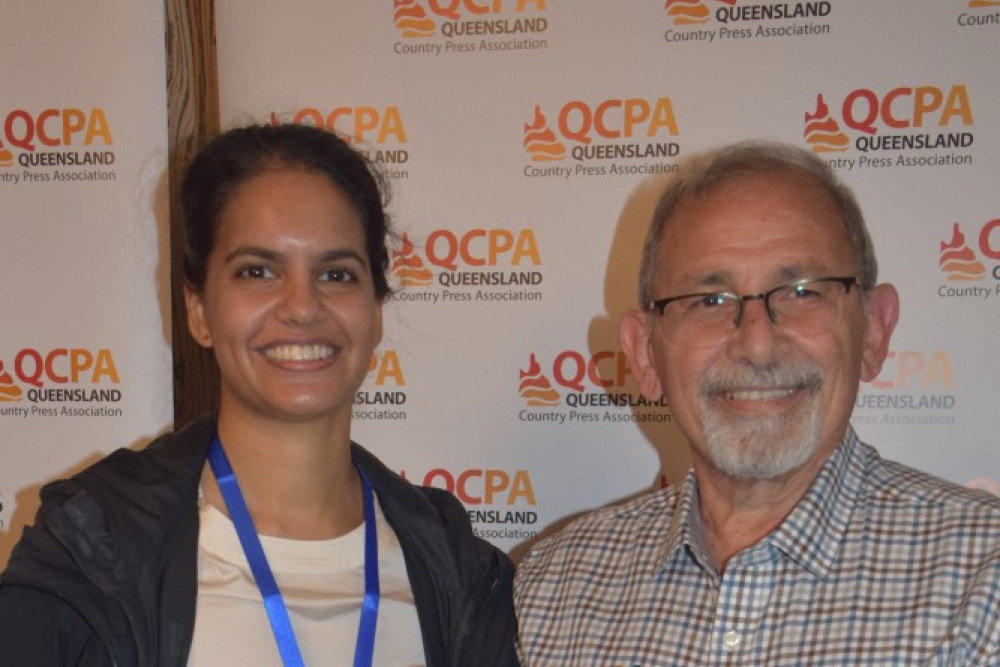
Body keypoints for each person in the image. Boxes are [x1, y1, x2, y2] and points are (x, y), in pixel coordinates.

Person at [0, 123, 519, 666]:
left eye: (337, 274)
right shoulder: (91, 551)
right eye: (258, 271)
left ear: (376, 312)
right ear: (199, 311)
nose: (303, 307)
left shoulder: (465, 577)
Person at [514, 140, 1000, 665]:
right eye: (709, 300)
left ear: (873, 331)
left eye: (802, 291)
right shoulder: (552, 588)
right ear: (646, 354)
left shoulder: (984, 582)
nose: (757, 344)